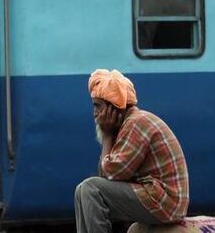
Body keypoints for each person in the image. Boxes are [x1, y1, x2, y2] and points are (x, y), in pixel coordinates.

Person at [74, 69, 189, 233]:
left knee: (90, 189)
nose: (94, 113)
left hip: (164, 201)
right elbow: (105, 174)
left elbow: (112, 174)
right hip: (156, 198)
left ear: (114, 108)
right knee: (81, 191)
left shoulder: (136, 123)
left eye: (98, 106)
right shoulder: (127, 125)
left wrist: (106, 136)